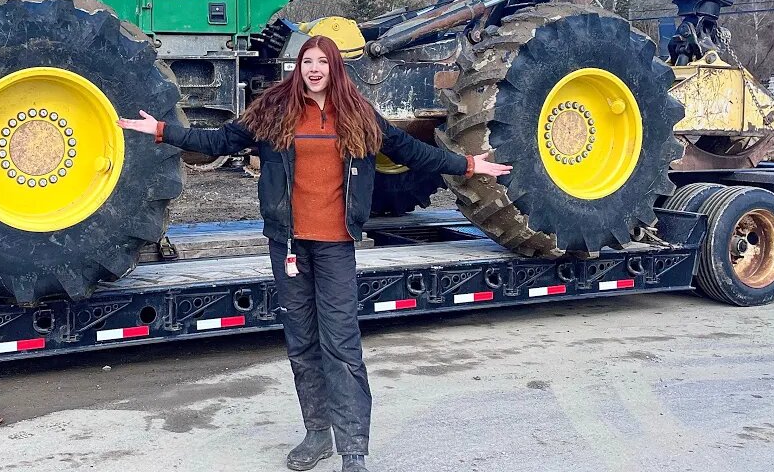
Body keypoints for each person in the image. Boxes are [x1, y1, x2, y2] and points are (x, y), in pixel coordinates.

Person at [119, 35, 511, 472]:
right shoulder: (273, 112)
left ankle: (354, 449)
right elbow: (217, 142)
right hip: (288, 245)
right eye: (308, 61)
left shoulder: (359, 116)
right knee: (301, 342)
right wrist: (160, 130)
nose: (315, 68)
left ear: (334, 68)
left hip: (336, 245)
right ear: (298, 67)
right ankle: (316, 434)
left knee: (342, 344)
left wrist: (471, 165)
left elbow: (412, 152)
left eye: (323, 61)